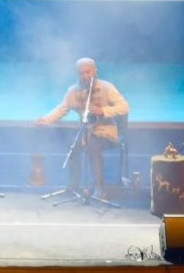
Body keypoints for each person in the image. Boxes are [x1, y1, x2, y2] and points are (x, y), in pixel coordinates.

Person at [36, 57, 129, 199]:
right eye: (81, 73)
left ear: (95, 71)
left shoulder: (107, 87)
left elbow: (124, 107)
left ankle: (100, 188)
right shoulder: (73, 91)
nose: (85, 76)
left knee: (93, 146)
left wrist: (103, 111)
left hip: (107, 133)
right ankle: (74, 186)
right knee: (73, 146)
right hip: (86, 133)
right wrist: (46, 120)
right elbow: (62, 108)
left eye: (88, 72)